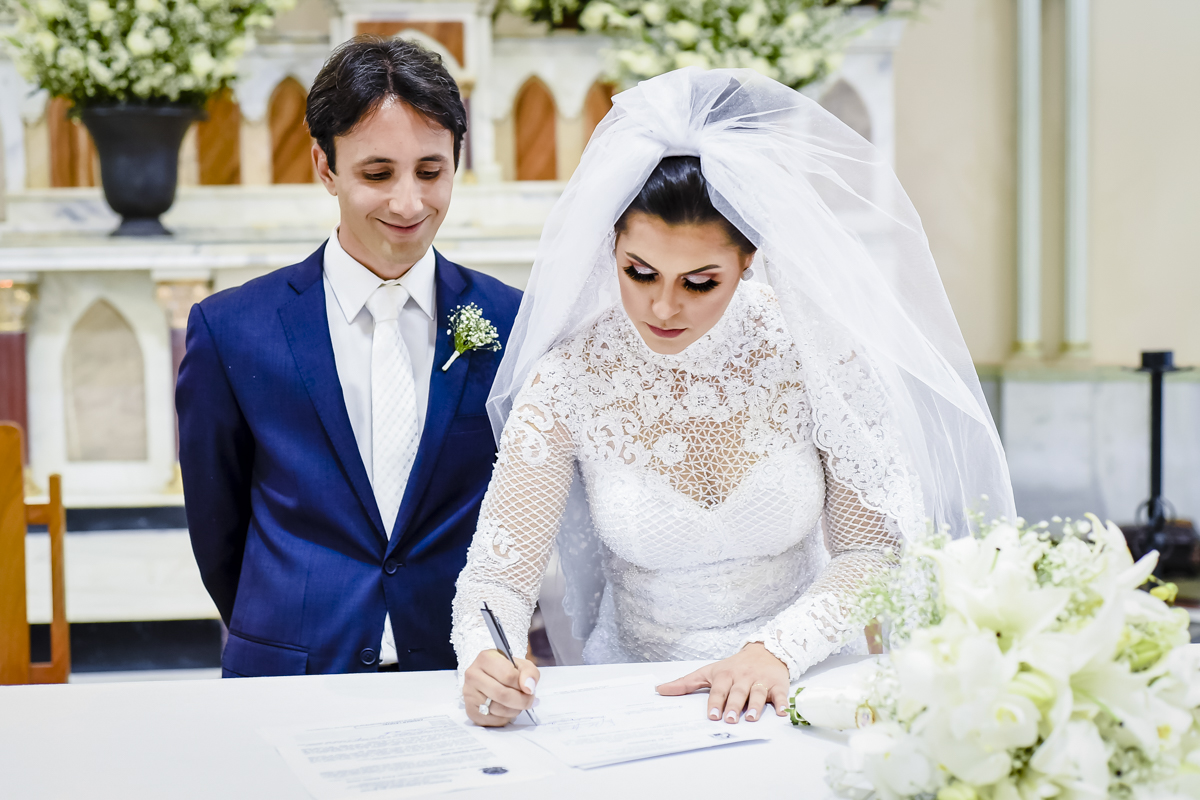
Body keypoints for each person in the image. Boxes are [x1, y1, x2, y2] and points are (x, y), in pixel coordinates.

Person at [450, 68, 1015, 726]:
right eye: (640, 273)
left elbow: (872, 553)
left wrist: (776, 650)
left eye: (700, 282)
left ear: (748, 261)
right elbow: (497, 577)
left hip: (803, 683)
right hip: (639, 700)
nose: (664, 306)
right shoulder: (570, 376)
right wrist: (486, 656)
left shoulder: (812, 353)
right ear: (612, 247)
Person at [176, 37, 521, 676]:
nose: (408, 203)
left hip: (460, 672)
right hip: (290, 671)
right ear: (325, 166)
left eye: (430, 171)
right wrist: (282, 630)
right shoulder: (233, 330)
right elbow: (216, 526)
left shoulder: (510, 321)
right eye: (377, 174)